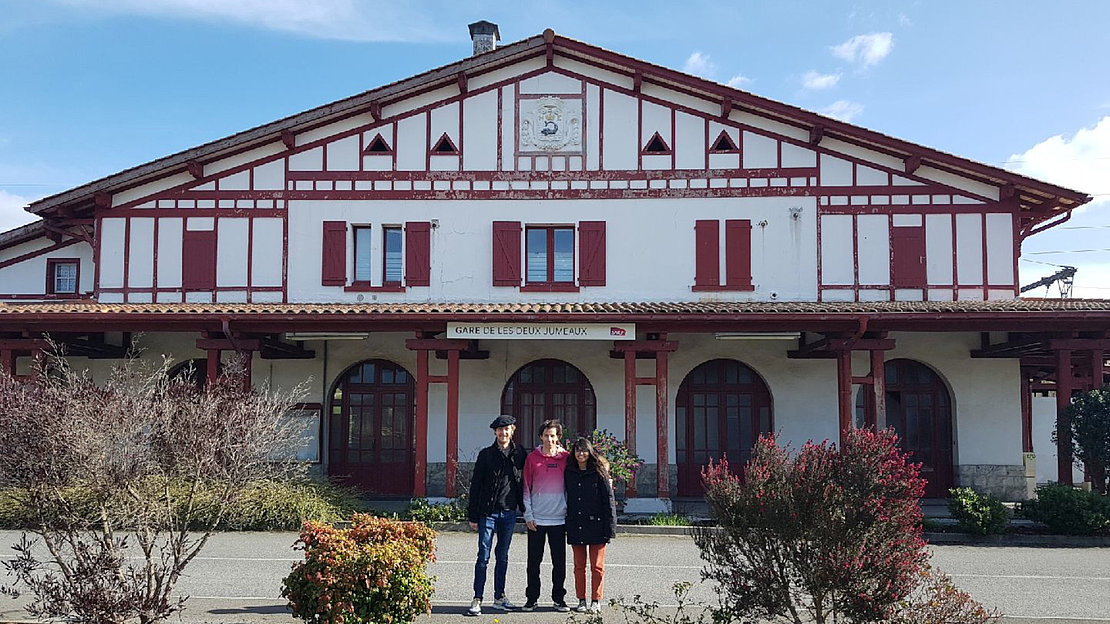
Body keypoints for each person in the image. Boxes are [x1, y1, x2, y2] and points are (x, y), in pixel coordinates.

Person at [465, 414, 528, 617]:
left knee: (503, 556)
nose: (503, 432)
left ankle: (499, 597)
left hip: (509, 512)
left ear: (513, 430)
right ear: (495, 432)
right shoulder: (486, 455)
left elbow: (528, 480)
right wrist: (473, 515)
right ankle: (477, 598)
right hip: (488, 513)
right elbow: (476, 487)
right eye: (500, 429)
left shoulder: (520, 454)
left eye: (507, 428)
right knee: (483, 555)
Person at [521, 419, 571, 612]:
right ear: (540, 436)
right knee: (534, 562)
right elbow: (525, 487)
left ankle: (559, 598)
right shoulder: (532, 459)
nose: (550, 439)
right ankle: (532, 598)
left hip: (559, 519)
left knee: (559, 563)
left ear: (559, 437)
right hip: (537, 519)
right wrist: (528, 515)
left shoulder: (566, 458)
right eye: (546, 436)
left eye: (553, 436)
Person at [564, 436, 617, 614]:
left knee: (597, 566)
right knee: (579, 567)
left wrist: (611, 527)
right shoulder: (569, 472)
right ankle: (581, 599)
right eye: (578, 450)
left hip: (597, 525)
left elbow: (608, 500)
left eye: (584, 450)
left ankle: (596, 599)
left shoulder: (599, 472)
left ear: (590, 452)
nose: (581, 453)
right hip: (576, 524)